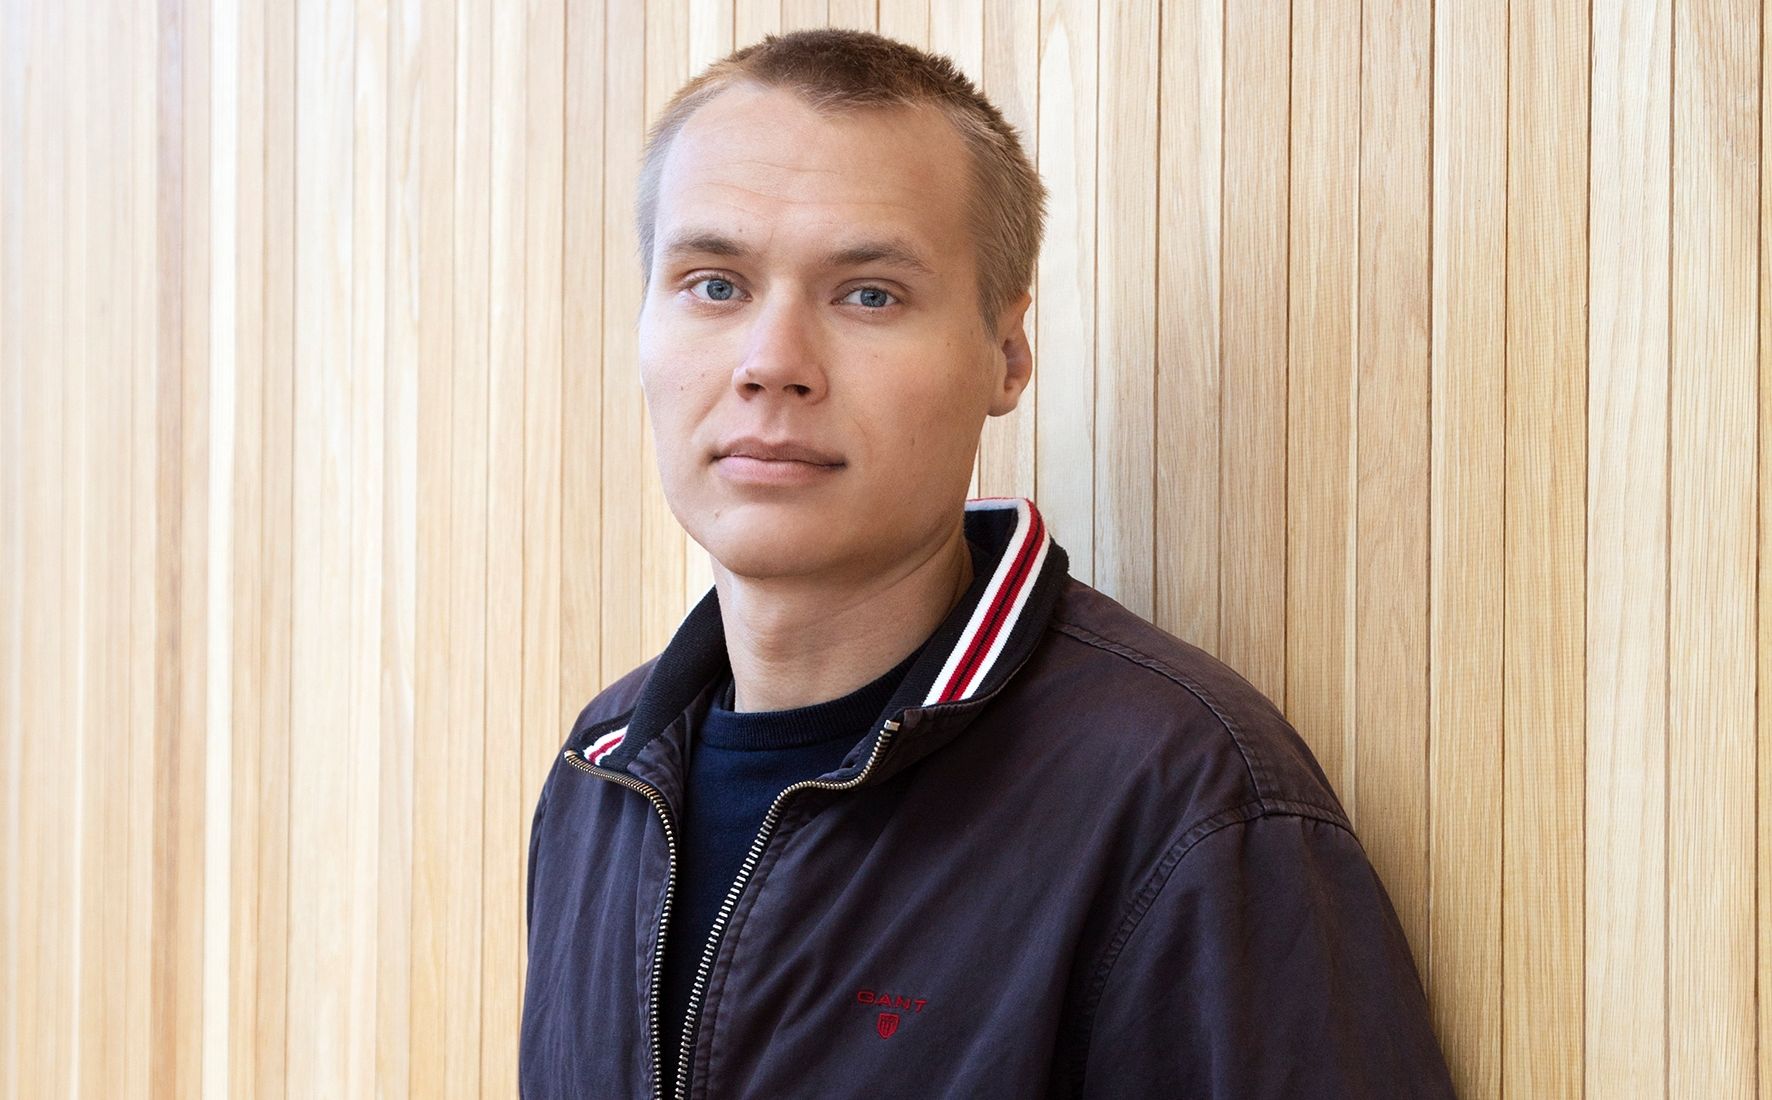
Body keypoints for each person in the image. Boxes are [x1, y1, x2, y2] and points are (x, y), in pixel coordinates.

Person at [519, 27, 1456, 1100]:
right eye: (714, 284)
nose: (771, 363)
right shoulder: (601, 775)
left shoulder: (1178, 802)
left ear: (1005, 355)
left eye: (868, 293)